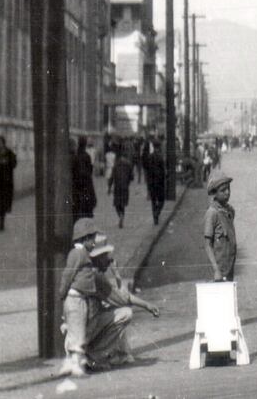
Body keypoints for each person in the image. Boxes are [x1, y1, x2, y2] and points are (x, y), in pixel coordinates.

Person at [82, 242, 160, 370]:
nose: (109, 260)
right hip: (84, 333)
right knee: (125, 313)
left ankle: (112, 353)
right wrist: (117, 274)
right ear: (97, 258)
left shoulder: (87, 272)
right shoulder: (97, 277)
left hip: (76, 331)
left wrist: (146, 305)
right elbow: (122, 299)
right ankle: (94, 356)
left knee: (111, 310)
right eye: (105, 256)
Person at [58, 217, 100, 377]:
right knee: (78, 333)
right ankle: (76, 365)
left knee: (76, 331)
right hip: (75, 299)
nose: (94, 243)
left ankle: (70, 363)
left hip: (80, 299)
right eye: (93, 239)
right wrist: (62, 291)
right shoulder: (77, 253)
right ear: (85, 238)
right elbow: (68, 274)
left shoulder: (82, 253)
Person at [204, 171, 237, 282]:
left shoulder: (230, 211)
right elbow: (207, 245)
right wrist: (216, 270)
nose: (227, 192)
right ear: (215, 193)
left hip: (229, 267)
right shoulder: (212, 213)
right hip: (218, 271)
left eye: (228, 189)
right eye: (223, 190)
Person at [0, 135, 16, 231]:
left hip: (7, 182)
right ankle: (0, 223)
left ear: (4, 143)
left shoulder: (9, 153)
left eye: (0, 142)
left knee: (4, 202)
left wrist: (6, 162)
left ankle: (2, 222)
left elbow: (14, 163)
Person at [71, 136, 97, 220]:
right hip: (86, 186)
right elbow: (90, 170)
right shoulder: (87, 156)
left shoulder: (75, 156)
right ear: (85, 144)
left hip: (76, 187)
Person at [109, 146, 134, 229]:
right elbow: (132, 177)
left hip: (117, 187)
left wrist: (109, 187)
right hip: (125, 187)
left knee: (117, 204)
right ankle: (122, 216)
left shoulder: (116, 165)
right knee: (122, 203)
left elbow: (111, 177)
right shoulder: (129, 164)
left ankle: (120, 215)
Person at [146, 141, 166, 225]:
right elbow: (163, 170)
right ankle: (157, 212)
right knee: (161, 200)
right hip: (159, 181)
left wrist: (148, 183)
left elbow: (147, 170)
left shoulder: (149, 157)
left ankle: (155, 219)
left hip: (151, 181)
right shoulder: (161, 157)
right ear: (159, 147)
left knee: (153, 201)